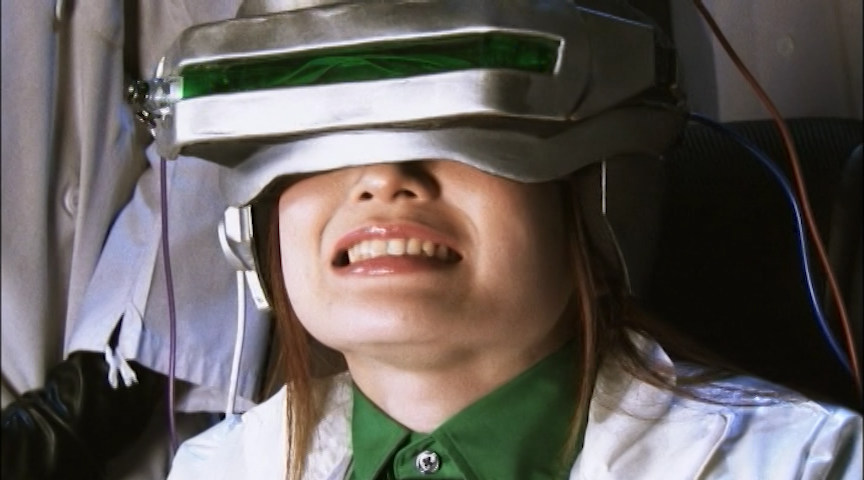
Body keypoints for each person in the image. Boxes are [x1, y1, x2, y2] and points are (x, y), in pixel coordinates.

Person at [132, 0, 860, 478]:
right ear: (251, 230)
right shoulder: (210, 470)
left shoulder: (813, 465)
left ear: (598, 194)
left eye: (465, 117)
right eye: (317, 135)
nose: (382, 179)